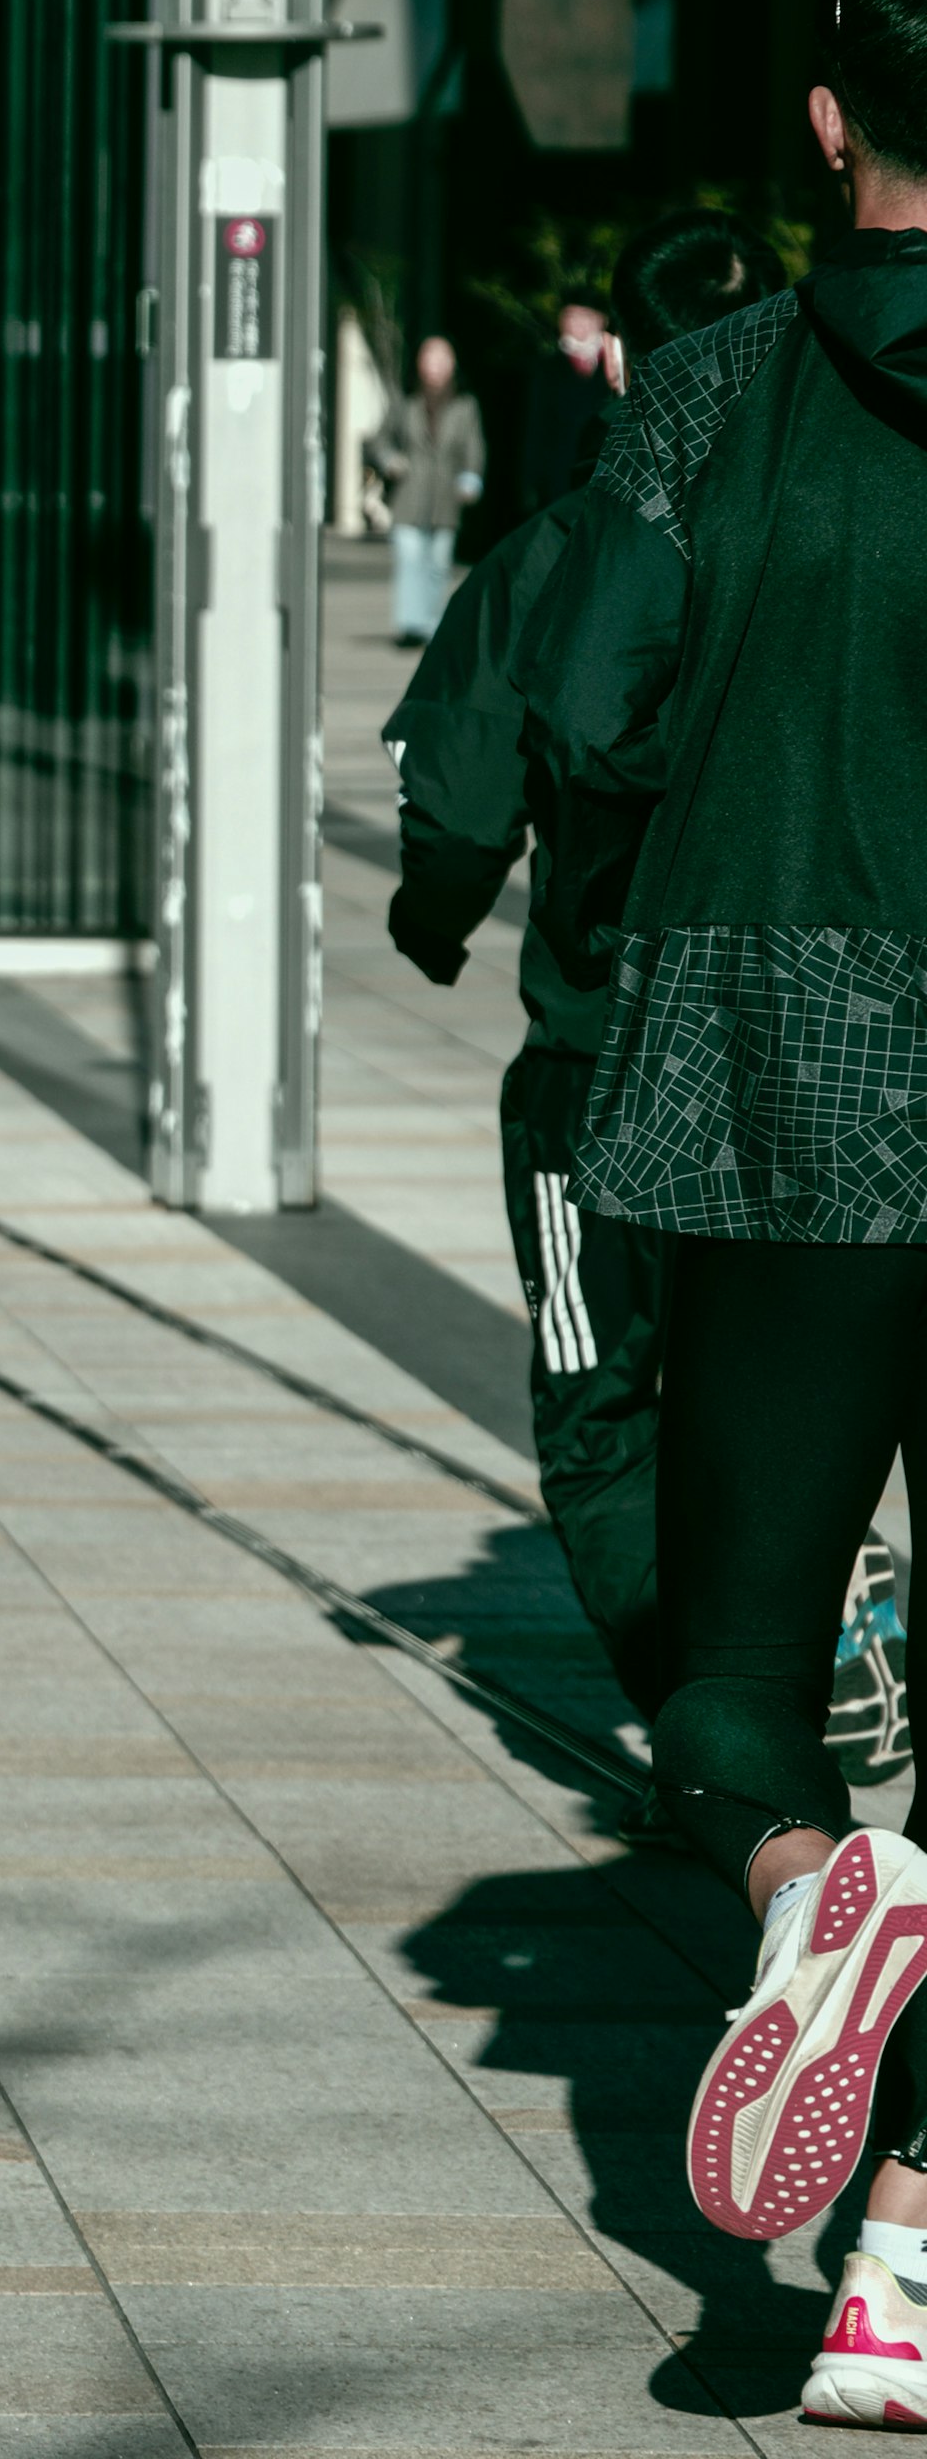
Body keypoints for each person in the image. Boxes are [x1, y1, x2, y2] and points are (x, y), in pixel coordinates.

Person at [513, 0, 927, 2422]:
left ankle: (805, 1905)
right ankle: (901, 2272)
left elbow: (582, 704)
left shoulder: (699, 393)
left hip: (774, 1068)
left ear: (819, 118)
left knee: (736, 1661)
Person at [381, 212, 921, 1768]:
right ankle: (799, 1655)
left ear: (621, 352)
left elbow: (472, 804)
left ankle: (730, 1749)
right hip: (828, 1056)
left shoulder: (556, 554)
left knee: (602, 1406)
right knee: (801, 1399)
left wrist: (438, 921)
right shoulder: (850, 467)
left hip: (608, 1044)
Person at [362, 334, 483, 647]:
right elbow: (379, 439)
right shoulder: (406, 401)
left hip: (445, 498)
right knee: (409, 560)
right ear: (420, 363)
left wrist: (471, 477)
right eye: (430, 358)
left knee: (438, 565)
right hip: (409, 495)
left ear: (452, 364)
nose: (436, 366)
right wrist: (390, 459)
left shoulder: (464, 405)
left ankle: (432, 624)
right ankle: (410, 625)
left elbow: (474, 446)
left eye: (443, 358)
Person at [523, 292, 619, 517]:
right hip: (559, 475)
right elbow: (534, 427)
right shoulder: (547, 368)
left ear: (602, 321)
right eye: (572, 317)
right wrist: (529, 480)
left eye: (587, 317)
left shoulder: (616, 366)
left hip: (603, 474)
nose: (580, 325)